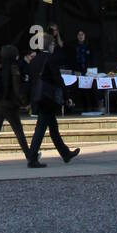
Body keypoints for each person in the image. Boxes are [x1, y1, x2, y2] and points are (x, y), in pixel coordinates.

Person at [25, 32, 80, 168]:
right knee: (41, 128)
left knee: (53, 128)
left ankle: (65, 153)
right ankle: (32, 158)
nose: (54, 46)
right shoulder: (50, 59)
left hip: (39, 97)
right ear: (49, 45)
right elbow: (58, 79)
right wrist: (67, 97)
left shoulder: (35, 60)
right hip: (48, 98)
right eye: (53, 43)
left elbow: (31, 81)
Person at [0, 44, 32, 165]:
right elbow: (17, 88)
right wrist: (24, 102)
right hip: (8, 105)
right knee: (18, 131)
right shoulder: (13, 68)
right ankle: (30, 156)